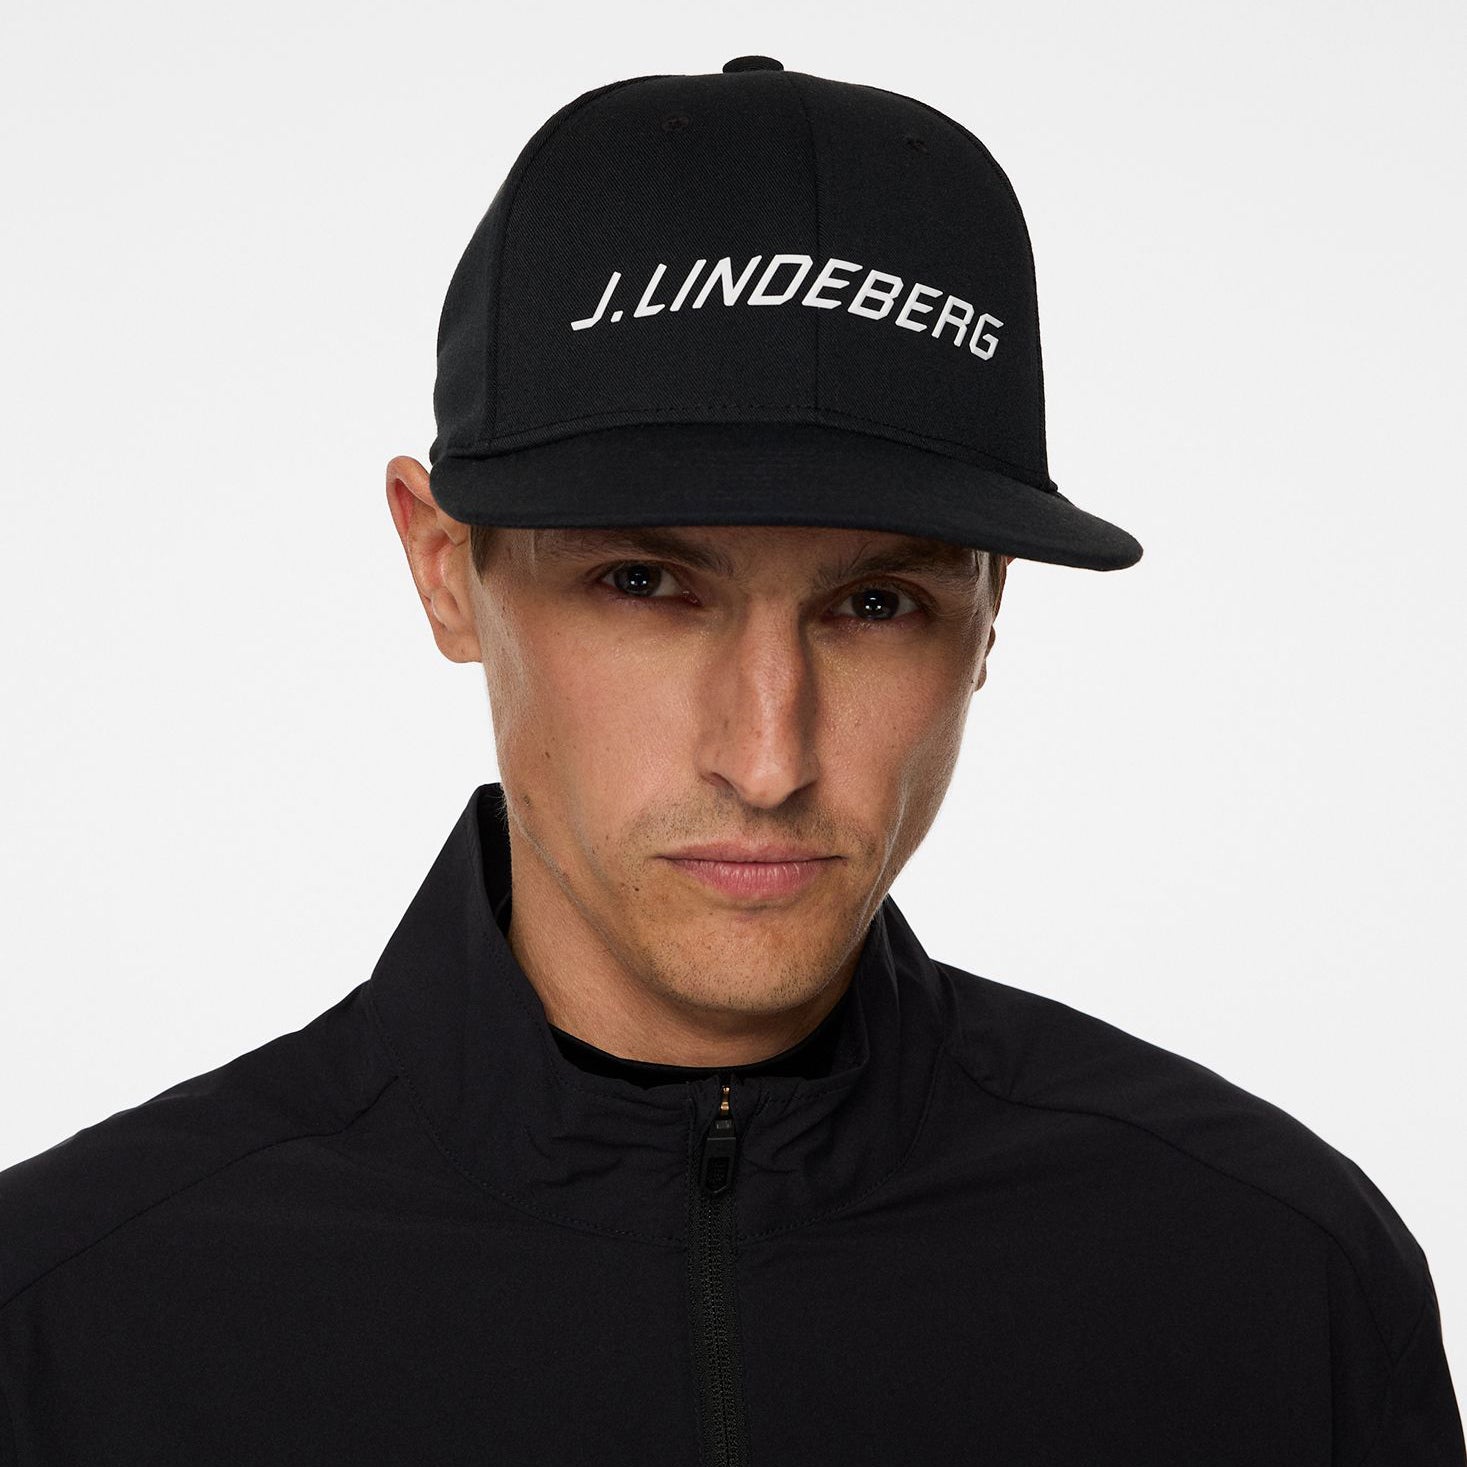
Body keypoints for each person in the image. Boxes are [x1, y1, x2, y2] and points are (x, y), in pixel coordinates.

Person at [1, 54, 1462, 1465]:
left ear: (989, 615)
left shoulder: (1273, 1284)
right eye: (646, 584)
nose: (768, 759)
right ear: (444, 568)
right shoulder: (69, 1326)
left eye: (876, 605)